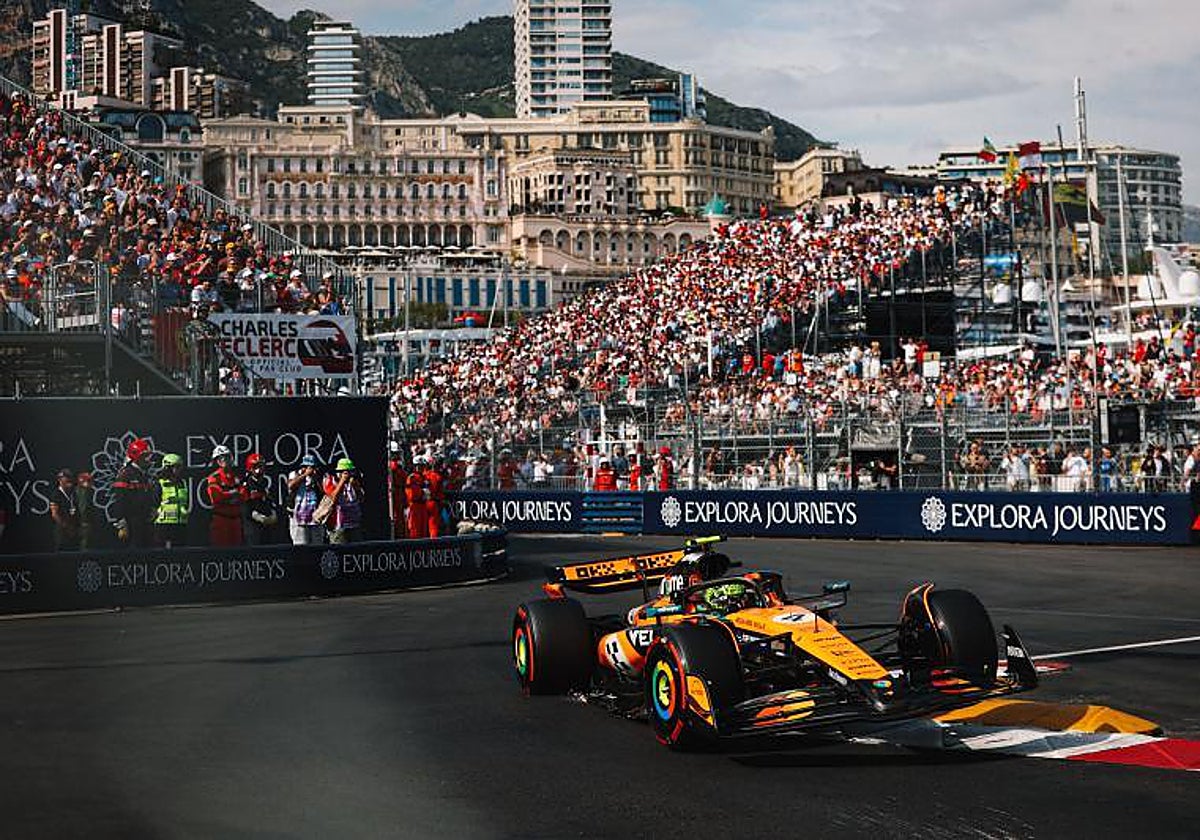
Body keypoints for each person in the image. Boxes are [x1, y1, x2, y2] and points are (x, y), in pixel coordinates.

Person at [112, 438, 156, 547]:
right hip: (131, 524)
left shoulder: (143, 475)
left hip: (145, 523)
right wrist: (122, 525)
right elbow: (119, 500)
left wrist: (152, 510)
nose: (149, 459)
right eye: (146, 456)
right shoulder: (125, 474)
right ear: (137, 457)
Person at [206, 445, 245, 546]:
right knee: (221, 553)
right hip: (221, 521)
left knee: (237, 553)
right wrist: (233, 494)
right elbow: (216, 497)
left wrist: (226, 496)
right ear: (216, 461)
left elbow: (243, 495)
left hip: (236, 521)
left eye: (226, 457)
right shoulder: (214, 478)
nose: (224, 460)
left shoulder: (236, 477)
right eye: (220, 458)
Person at [286, 454, 326, 545]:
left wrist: (316, 479)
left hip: (316, 517)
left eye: (312, 467)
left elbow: (324, 493)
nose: (310, 469)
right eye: (307, 466)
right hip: (299, 518)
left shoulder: (318, 476)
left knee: (317, 546)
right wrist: (305, 475)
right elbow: (291, 485)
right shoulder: (294, 474)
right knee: (301, 546)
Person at [323, 458, 364, 544]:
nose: (349, 475)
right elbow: (333, 499)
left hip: (354, 525)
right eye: (346, 472)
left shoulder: (353, 482)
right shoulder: (331, 481)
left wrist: (356, 486)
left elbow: (362, 499)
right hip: (338, 526)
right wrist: (342, 481)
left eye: (350, 472)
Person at [153, 454, 190, 548]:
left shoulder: (183, 482)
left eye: (180, 467)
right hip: (164, 525)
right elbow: (154, 503)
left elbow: (185, 501)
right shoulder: (159, 483)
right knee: (164, 555)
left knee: (181, 553)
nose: (178, 470)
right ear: (167, 468)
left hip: (180, 524)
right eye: (176, 467)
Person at [242, 453, 278, 545]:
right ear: (250, 468)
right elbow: (245, 506)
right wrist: (257, 516)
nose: (260, 470)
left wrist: (273, 514)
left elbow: (270, 500)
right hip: (253, 526)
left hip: (267, 525)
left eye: (261, 466)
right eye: (256, 467)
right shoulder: (247, 484)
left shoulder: (265, 483)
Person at [49, 469, 80, 551]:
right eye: (66, 477)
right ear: (59, 480)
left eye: (70, 477)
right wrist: (66, 527)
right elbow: (54, 514)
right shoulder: (56, 494)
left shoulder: (73, 493)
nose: (69, 480)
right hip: (62, 532)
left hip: (74, 531)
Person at [406, 457, 429, 539]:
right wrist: (422, 492)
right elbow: (412, 495)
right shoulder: (412, 478)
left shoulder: (423, 477)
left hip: (423, 506)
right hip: (415, 506)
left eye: (422, 466)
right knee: (415, 530)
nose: (421, 468)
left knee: (424, 530)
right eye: (419, 466)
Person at [423, 457, 446, 539]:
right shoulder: (438, 476)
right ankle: (434, 543)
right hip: (435, 502)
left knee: (424, 525)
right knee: (434, 525)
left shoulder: (425, 474)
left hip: (424, 502)